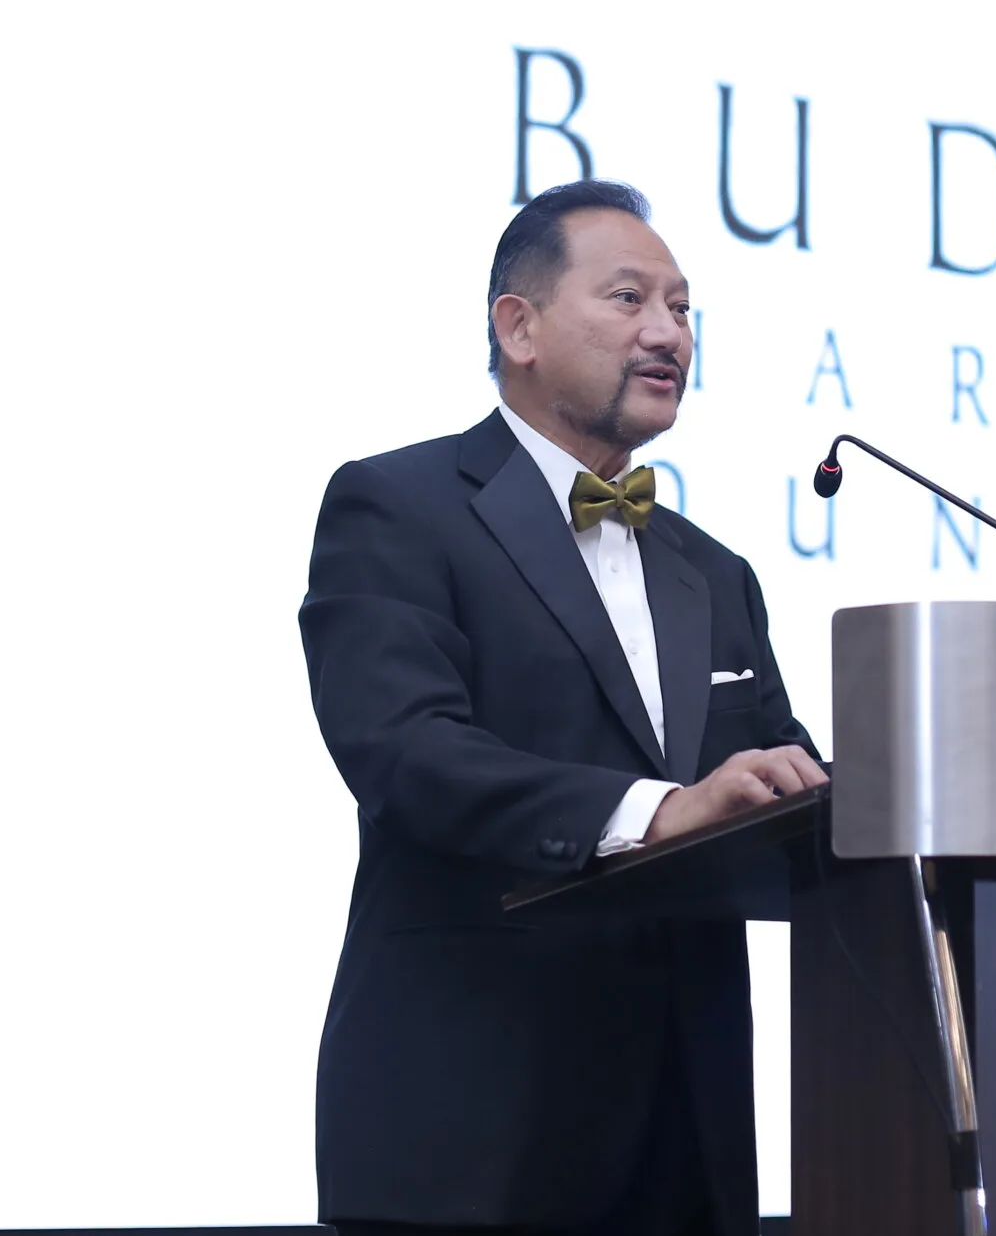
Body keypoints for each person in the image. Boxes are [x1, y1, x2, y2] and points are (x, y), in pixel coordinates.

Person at [301, 179, 826, 1236]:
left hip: (686, 1134)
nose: (668, 332)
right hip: (472, 1125)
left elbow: (786, 781)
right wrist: (656, 809)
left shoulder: (714, 572)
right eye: (630, 299)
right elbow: (407, 753)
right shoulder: (397, 507)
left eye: (682, 308)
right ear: (519, 327)